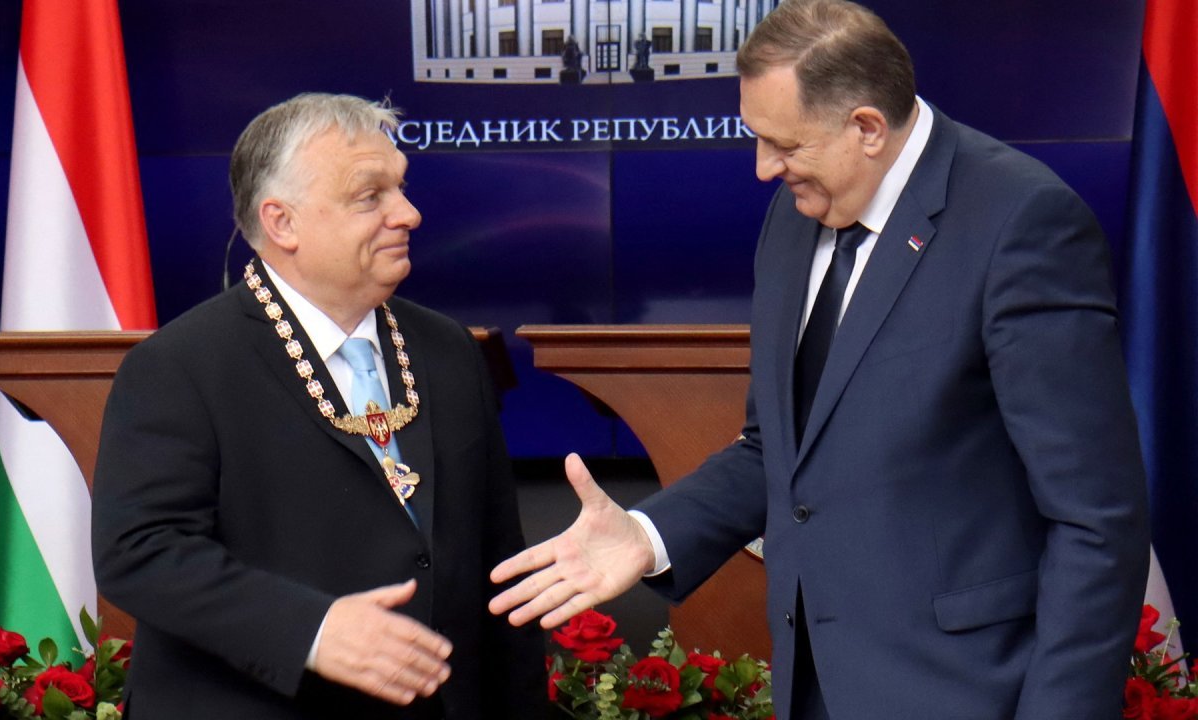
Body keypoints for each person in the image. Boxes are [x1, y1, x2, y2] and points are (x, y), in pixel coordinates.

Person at [490, 1, 1150, 718]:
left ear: (867, 127)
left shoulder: (1021, 222)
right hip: (816, 690)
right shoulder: (797, 215)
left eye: (784, 145)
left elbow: (1095, 519)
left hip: (969, 693)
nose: (762, 168)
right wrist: (648, 537)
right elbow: (775, 449)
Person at [92, 93, 547, 719]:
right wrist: (311, 630)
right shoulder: (180, 364)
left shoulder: (448, 350)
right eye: (370, 196)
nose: (409, 214)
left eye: (401, 188)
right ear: (282, 223)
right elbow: (140, 552)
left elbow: (497, 563)